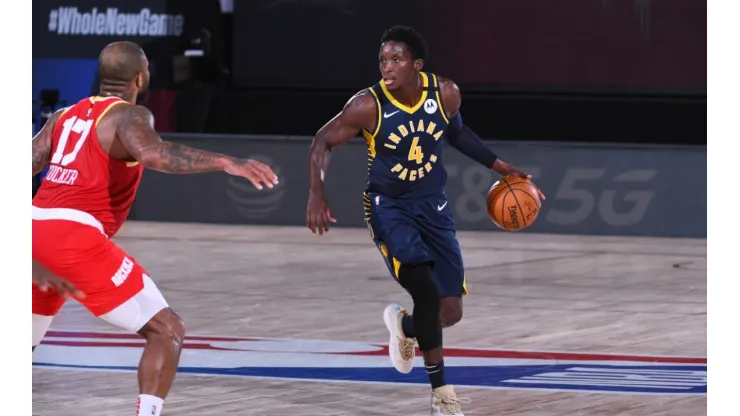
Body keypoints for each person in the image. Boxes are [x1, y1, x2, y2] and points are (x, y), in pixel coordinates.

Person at [31, 41, 279, 416]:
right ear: (140, 77)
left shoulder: (64, 116)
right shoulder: (130, 116)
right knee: (167, 330)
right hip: (73, 237)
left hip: (30, 230)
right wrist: (228, 161)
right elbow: (154, 154)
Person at [306, 26, 544, 415]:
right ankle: (442, 398)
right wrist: (317, 192)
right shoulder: (367, 105)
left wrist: (500, 166)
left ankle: (405, 328)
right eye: (383, 59)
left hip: (432, 205)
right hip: (390, 208)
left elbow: (459, 134)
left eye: (397, 59)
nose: (387, 67)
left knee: (450, 312)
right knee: (427, 294)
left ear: (417, 65)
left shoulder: (445, 93)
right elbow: (322, 141)